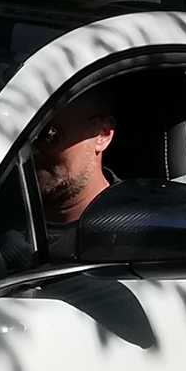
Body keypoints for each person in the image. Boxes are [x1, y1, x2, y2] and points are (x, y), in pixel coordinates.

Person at [30, 90, 116, 257]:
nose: (31, 149)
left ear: (102, 134)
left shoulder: (128, 234)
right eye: (20, 135)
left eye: (48, 134)